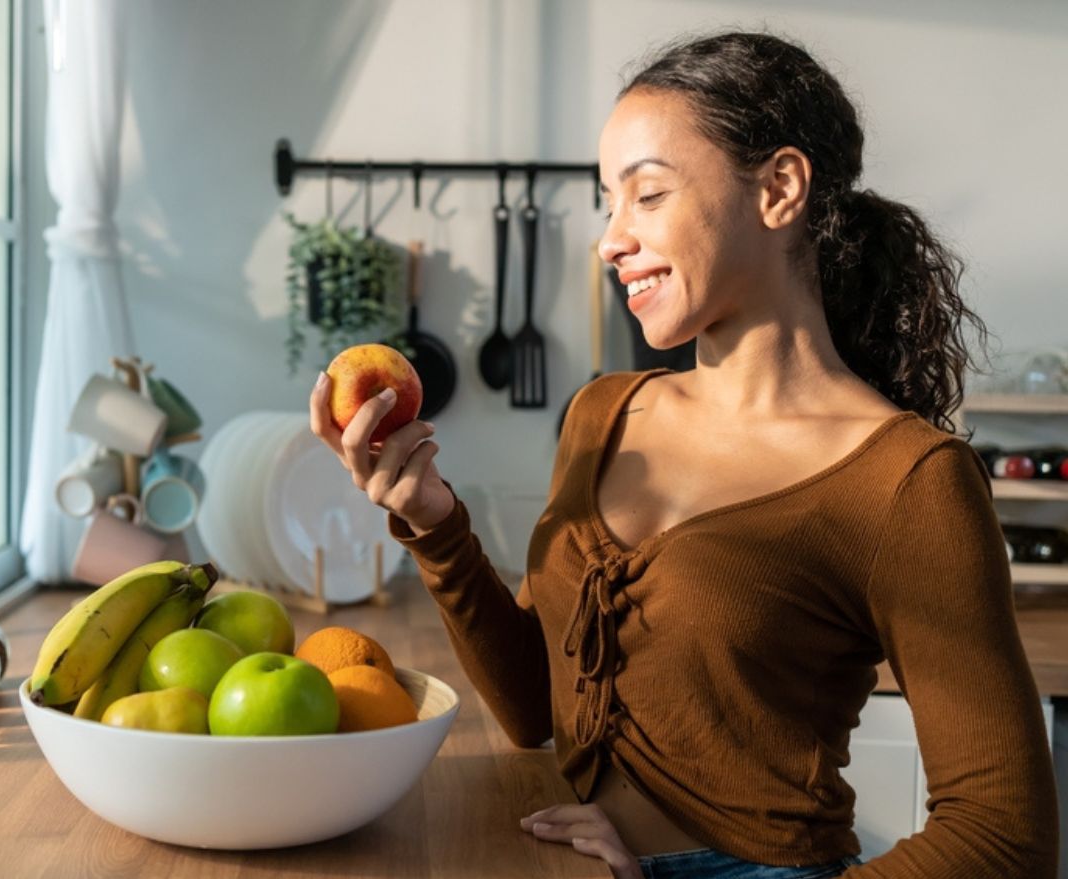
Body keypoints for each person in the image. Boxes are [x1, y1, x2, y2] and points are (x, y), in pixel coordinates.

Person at [308, 30, 1058, 879]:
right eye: (608, 204)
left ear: (779, 189)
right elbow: (533, 709)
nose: (610, 241)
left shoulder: (907, 480)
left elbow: (1006, 837)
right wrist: (434, 523)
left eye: (648, 195)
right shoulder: (602, 413)